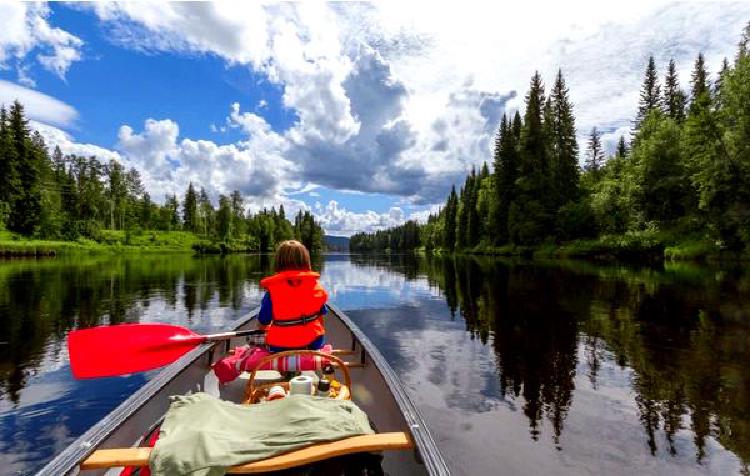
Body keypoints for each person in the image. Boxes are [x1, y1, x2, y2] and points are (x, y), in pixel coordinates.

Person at [258, 240, 328, 352]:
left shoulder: (272, 291)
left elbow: (263, 322)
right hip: (314, 343)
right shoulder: (316, 287)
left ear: (278, 262)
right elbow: (321, 319)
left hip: (279, 346)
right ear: (306, 261)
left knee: (262, 339)